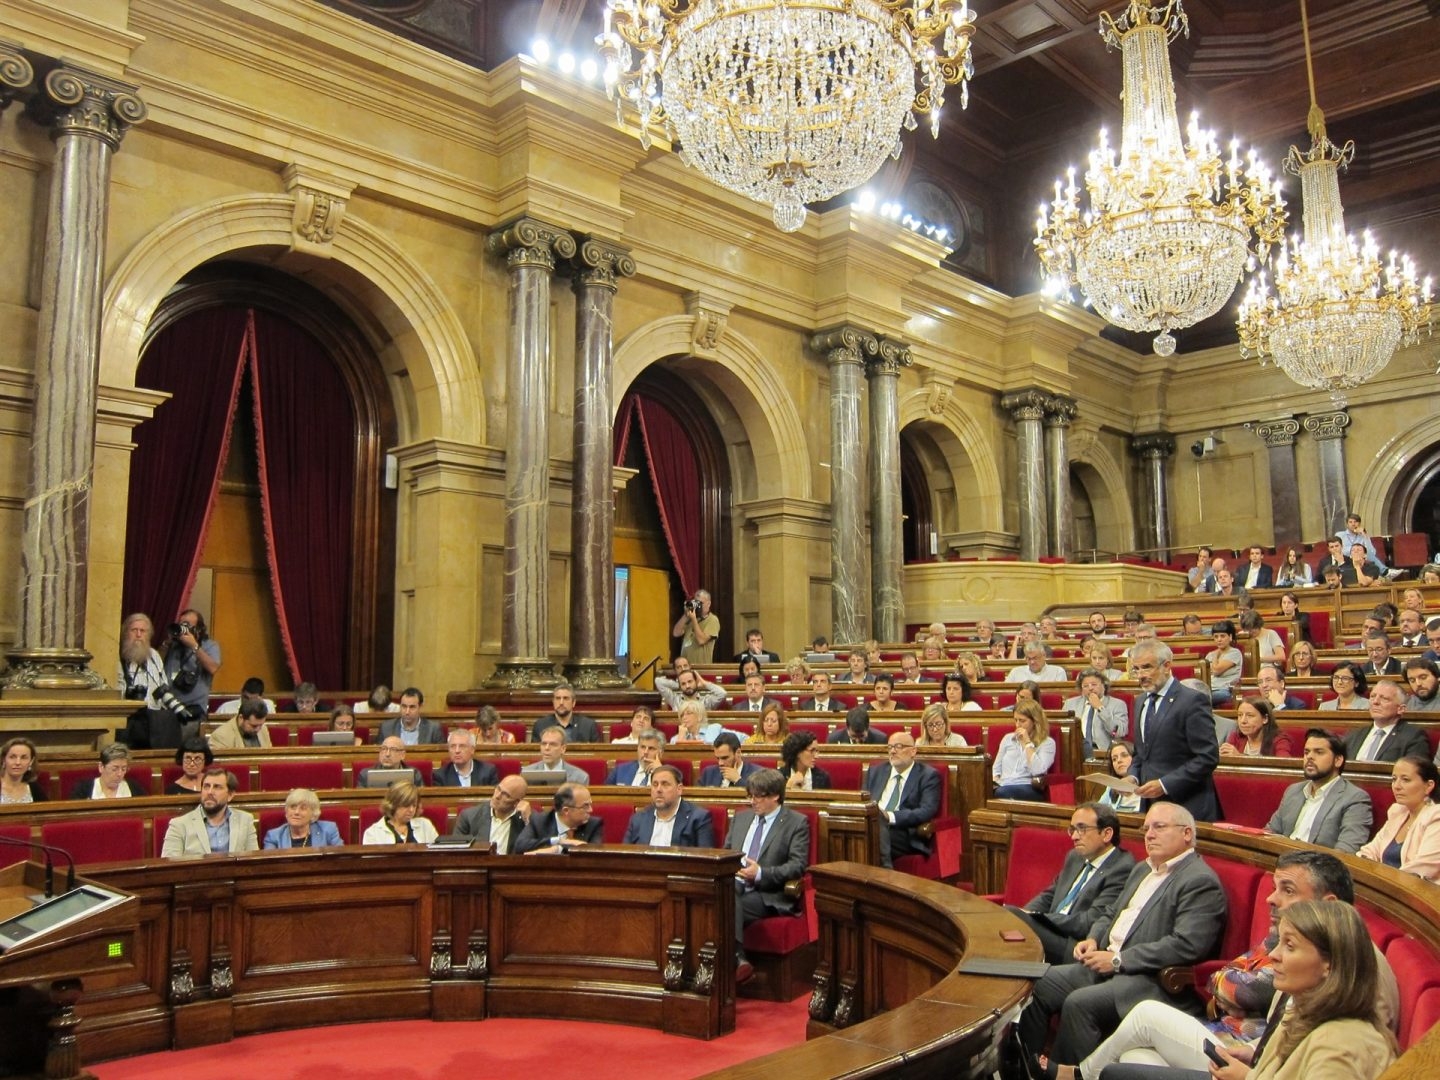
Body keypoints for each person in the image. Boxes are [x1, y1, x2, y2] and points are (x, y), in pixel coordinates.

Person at [1077, 854, 1398, 1080]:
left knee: (1140, 1027)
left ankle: (1076, 1075)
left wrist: (1251, 1075)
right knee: (1133, 1059)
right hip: (1250, 1054)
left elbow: (1246, 991)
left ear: (1328, 905)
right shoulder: (1297, 947)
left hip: (1254, 1064)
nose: (1271, 900)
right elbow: (1239, 981)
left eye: (1287, 890)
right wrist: (1256, 1054)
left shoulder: (1357, 980)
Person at [1014, 803, 1228, 1068]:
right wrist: (1092, 938)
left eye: (1159, 827)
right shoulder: (1142, 869)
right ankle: (1026, 1068)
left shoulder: (1199, 880)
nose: (1149, 834)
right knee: (1036, 983)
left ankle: (1064, 1075)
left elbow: (1186, 945)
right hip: (1102, 964)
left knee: (1079, 1003)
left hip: (1145, 978)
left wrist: (1118, 960)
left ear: (1186, 834)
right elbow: (1110, 913)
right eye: (1146, 827)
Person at [1201, 901, 1399, 1080]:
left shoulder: (1340, 1046)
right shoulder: (1302, 1013)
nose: (1274, 955)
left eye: (1290, 946)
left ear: (1329, 964)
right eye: (1279, 942)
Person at [1008, 803, 1135, 965]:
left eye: (1082, 829)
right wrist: (1025, 913)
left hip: (1074, 945)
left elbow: (1089, 922)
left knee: (1011, 915)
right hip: (1052, 930)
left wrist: (1036, 918)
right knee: (1008, 920)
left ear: (1106, 833)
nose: (1074, 836)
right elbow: (1050, 895)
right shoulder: (1075, 856)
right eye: (1072, 829)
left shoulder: (1121, 868)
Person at [725, 768, 810, 984]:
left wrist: (761, 873)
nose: (752, 801)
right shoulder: (741, 818)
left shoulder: (796, 822)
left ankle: (731, 960)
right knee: (724, 895)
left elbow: (797, 866)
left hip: (767, 893)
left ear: (775, 796)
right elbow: (725, 853)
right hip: (734, 884)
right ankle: (736, 960)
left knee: (722, 905)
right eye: (750, 795)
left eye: (758, 796)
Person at [1129, 640, 1221, 821]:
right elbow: (1141, 753)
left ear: (1166, 666)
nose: (1140, 675)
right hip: (1151, 804)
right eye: (1136, 669)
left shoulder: (1192, 700)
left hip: (1187, 805)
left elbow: (1207, 757)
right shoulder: (1140, 701)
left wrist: (1165, 784)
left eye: (1146, 668)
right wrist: (1133, 776)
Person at [1264, 729, 1372, 853]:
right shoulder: (1293, 791)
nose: (1309, 757)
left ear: (1338, 760)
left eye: (1319, 752)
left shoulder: (1355, 798)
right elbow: (1270, 833)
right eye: (1306, 752)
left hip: (1317, 868)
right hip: (1281, 860)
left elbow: (1346, 852)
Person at [863, 731, 941, 868]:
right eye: (889, 747)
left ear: (913, 751)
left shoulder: (928, 775)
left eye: (898, 747)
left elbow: (927, 810)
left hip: (903, 832)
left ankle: (885, 875)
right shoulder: (875, 772)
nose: (892, 752)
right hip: (871, 826)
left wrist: (890, 816)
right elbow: (863, 802)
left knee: (874, 833)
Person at [117, 611, 194, 748]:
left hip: (154, 722)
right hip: (128, 722)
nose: (139, 635)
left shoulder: (153, 655)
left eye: (143, 631)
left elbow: (162, 687)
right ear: (125, 633)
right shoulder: (118, 657)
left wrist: (178, 708)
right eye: (134, 630)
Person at [1357, 755, 1440, 880]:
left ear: (1428, 786)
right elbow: (1369, 851)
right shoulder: (1398, 812)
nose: (1396, 786)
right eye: (1394, 779)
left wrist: (1380, 879)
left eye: (1405, 780)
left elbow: (1422, 869)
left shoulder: (1436, 816)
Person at [160, 767, 259, 856]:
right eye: (206, 786)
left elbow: (254, 862)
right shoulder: (179, 825)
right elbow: (169, 867)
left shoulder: (245, 820)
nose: (210, 792)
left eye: (217, 787)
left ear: (230, 795)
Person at [623, 765, 715, 847]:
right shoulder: (638, 819)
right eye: (655, 784)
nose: (658, 789)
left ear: (679, 789)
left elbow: (706, 860)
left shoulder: (698, 818)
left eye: (665, 784)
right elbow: (625, 857)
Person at [1341, 679, 1430, 763]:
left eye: (1384, 698)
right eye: (1372, 696)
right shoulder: (1354, 734)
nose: (1375, 702)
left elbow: (1414, 772)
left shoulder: (1413, 736)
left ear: (1401, 709)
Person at [161, 609, 222, 719]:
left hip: (194, 708)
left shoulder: (209, 645)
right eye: (181, 624)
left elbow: (213, 668)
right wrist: (166, 645)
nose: (183, 627)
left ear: (198, 629)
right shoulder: (173, 646)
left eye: (187, 625)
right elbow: (158, 665)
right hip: (169, 707)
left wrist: (193, 645)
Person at [993, 700, 1057, 800]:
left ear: (1035, 721)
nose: (1018, 725)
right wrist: (994, 782)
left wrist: (1027, 744)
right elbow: (995, 769)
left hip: (1028, 786)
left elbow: (1038, 771)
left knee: (1003, 792)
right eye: (1016, 720)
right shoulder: (1007, 738)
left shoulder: (1047, 743)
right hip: (1003, 784)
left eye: (1022, 721)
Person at [451, 774, 531, 852]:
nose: (497, 796)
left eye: (505, 795)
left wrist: (528, 821)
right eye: (498, 789)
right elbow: (456, 853)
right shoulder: (469, 817)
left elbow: (538, 852)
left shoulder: (525, 821)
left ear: (517, 802)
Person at [514, 782, 603, 853]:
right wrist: (558, 841)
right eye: (585, 806)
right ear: (566, 811)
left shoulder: (593, 824)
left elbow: (594, 853)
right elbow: (520, 845)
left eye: (590, 804)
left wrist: (558, 849)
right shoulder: (539, 821)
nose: (591, 810)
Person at [1066, 668, 1130, 756]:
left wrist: (1100, 708)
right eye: (1085, 686)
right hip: (1075, 751)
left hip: (1102, 752)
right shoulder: (1070, 703)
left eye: (1094, 684)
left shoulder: (1117, 704)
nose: (1090, 688)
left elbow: (1118, 732)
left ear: (1104, 685)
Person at [361, 780, 439, 844]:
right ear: (393, 804)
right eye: (406, 805)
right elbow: (370, 862)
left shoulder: (425, 825)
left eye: (414, 805)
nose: (411, 810)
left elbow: (437, 856)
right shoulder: (373, 833)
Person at [263, 788, 343, 849]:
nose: (296, 812)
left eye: (303, 808)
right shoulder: (274, 836)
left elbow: (340, 858)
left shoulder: (328, 830)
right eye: (293, 807)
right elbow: (270, 867)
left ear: (313, 813)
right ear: (286, 812)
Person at [68, 743, 148, 799]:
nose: (120, 774)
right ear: (101, 767)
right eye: (114, 769)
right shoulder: (83, 789)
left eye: (124, 769)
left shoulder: (134, 788)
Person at [1221, 698, 1294, 758]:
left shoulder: (1279, 739)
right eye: (1240, 715)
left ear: (1265, 719)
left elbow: (1284, 763)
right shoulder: (1236, 737)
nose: (1243, 721)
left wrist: (1240, 757)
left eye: (1250, 715)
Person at [530, 682, 600, 743]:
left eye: (565, 698)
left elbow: (597, 754)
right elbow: (535, 754)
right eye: (558, 698)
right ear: (553, 702)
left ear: (573, 703)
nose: (561, 703)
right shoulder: (541, 725)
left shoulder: (588, 726)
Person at [433, 727, 500, 788]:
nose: (457, 751)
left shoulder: (488, 771)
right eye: (453, 746)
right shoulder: (440, 776)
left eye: (462, 746)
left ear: (472, 749)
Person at [522, 727, 591, 784]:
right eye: (543, 744)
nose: (547, 748)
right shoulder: (525, 774)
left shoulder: (580, 777)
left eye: (553, 744)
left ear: (563, 749)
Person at [378, 687, 444, 745]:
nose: (407, 712)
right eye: (404, 706)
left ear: (420, 707)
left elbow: (440, 755)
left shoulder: (433, 729)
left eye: (412, 707)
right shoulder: (386, 728)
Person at [672, 588, 719, 665]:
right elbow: (676, 633)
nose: (698, 606)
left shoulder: (712, 620)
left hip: (701, 667)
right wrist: (686, 615)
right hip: (685, 667)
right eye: (696, 603)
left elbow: (701, 640)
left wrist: (693, 619)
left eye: (701, 603)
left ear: (709, 604)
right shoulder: (690, 619)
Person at [357, 736, 425, 787]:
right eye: (384, 749)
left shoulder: (414, 774)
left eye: (393, 750)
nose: (387, 754)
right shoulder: (366, 774)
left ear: (403, 755)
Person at [208, 698, 272, 750]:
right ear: (241, 718)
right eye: (254, 726)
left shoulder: (263, 729)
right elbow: (221, 764)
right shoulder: (221, 736)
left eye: (260, 725)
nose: (258, 729)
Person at [1205, 620, 1243, 706]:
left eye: (1222, 636)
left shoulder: (1235, 653)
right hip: (1209, 689)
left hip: (1224, 690)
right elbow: (1205, 673)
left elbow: (1216, 671)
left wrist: (1215, 656)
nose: (1219, 639)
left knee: (1203, 698)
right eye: (1216, 637)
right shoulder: (1209, 655)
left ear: (1230, 637)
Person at [1098, 740, 1142, 813]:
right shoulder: (1112, 786)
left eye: (1124, 755)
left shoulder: (1146, 784)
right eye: (1114, 759)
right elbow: (1098, 811)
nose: (1119, 761)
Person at [659, 665, 727, 711]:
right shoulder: (675, 700)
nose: (687, 686)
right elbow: (658, 681)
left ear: (696, 682)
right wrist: (677, 684)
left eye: (690, 682)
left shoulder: (706, 701)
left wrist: (704, 683)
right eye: (683, 684)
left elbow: (722, 693)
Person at [1, 737, 47, 804]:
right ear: (3, 760)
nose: (18, 762)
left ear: (31, 761)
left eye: (24, 758)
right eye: (12, 757)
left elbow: (46, 811)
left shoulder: (34, 788)